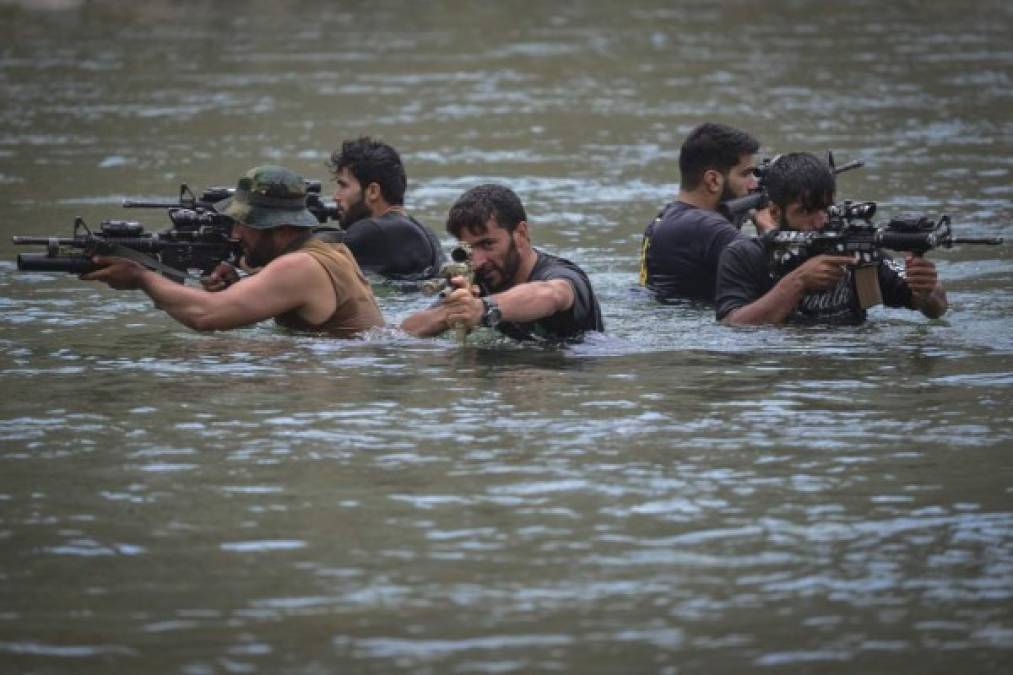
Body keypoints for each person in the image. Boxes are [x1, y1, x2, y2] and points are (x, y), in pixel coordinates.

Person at [81, 165, 385, 337]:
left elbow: (205, 315)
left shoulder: (299, 266)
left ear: (281, 229)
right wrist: (243, 285)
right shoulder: (331, 249)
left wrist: (140, 277)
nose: (236, 233)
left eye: (245, 224)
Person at [715, 152, 948, 325]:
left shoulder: (853, 249)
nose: (820, 221)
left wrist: (926, 289)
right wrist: (799, 281)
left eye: (826, 208)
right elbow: (732, 325)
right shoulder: (744, 255)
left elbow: (935, 308)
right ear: (775, 212)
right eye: (805, 211)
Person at [401, 184, 604, 342]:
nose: (478, 261)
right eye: (469, 250)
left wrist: (482, 310)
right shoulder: (477, 281)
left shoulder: (562, 275)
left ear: (521, 234)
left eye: (487, 244)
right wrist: (452, 313)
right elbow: (401, 334)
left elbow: (552, 294)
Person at [639, 122, 763, 302]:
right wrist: (771, 228)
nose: (754, 185)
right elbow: (779, 269)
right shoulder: (704, 226)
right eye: (746, 174)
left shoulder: (669, 217)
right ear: (713, 180)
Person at [323, 136, 444, 280]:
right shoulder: (427, 233)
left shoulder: (370, 230)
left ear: (373, 191)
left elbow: (308, 268)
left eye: (343, 185)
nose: (335, 196)